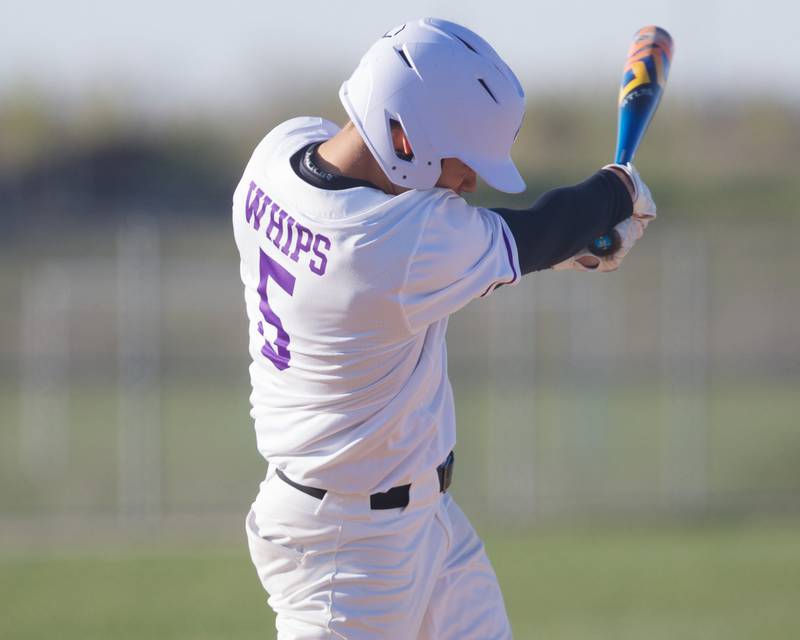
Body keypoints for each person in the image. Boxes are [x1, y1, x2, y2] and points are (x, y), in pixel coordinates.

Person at [232, 17, 655, 639]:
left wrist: (569, 246)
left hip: (417, 517)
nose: (470, 181)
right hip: (347, 554)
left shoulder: (279, 153)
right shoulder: (384, 244)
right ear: (403, 138)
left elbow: (469, 251)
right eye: (464, 160)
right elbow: (535, 231)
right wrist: (616, 192)